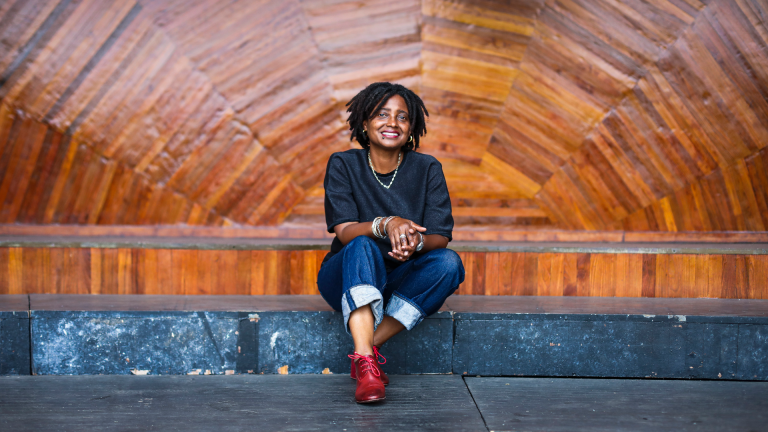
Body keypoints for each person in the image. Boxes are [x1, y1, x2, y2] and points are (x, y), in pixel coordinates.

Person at [316, 82, 465, 403]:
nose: (392, 123)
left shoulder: (427, 168)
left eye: (402, 116)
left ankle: (366, 354)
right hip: (346, 277)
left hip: (398, 279)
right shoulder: (343, 164)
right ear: (365, 123)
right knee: (361, 244)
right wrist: (385, 224)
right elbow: (344, 231)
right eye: (382, 114)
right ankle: (368, 366)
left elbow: (440, 236)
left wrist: (416, 243)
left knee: (449, 263)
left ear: (411, 128)